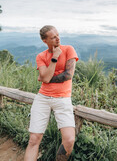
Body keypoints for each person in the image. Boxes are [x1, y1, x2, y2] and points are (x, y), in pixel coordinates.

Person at [24, 25, 79, 161]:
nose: (57, 39)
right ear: (45, 41)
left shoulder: (68, 49)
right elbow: (46, 78)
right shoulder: (41, 56)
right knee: (33, 140)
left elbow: (68, 75)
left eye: (58, 35)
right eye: (53, 37)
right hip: (42, 98)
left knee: (69, 140)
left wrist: (44, 78)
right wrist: (54, 57)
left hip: (63, 99)